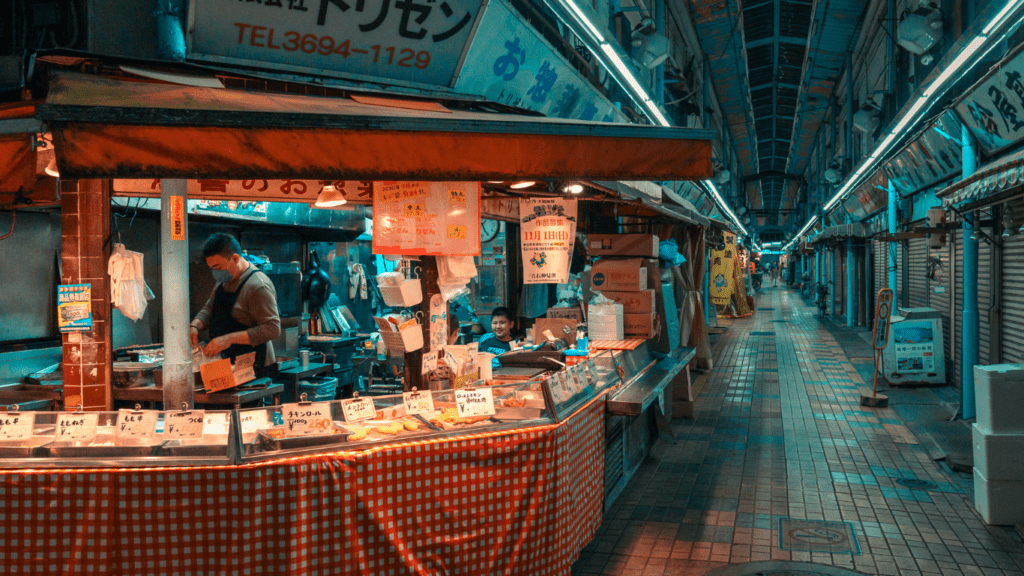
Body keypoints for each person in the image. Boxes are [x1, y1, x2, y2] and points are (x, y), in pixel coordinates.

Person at [190, 233, 281, 377]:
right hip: (226, 364)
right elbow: (209, 308)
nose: (215, 272)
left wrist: (227, 339)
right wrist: (195, 325)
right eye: (212, 268)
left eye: (218, 267)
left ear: (235, 258)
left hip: (254, 366)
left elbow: (272, 329)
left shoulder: (258, 286)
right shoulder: (225, 279)